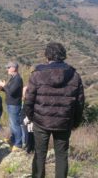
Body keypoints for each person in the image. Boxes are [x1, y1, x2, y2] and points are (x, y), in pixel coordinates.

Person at [23, 42, 85, 178]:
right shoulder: (74, 75)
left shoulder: (37, 74)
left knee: (39, 154)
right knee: (62, 155)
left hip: (41, 121)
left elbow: (28, 100)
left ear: (47, 56)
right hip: (64, 122)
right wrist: (75, 122)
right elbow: (80, 103)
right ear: (63, 56)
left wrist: (32, 117)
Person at [0, 61, 23, 151]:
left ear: (14, 68)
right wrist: (2, 88)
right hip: (11, 104)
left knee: (15, 124)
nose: (7, 69)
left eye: (8, 67)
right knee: (12, 124)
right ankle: (14, 141)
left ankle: (18, 144)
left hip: (14, 105)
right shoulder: (13, 78)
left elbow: (11, 92)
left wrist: (4, 85)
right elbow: (9, 91)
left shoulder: (17, 79)